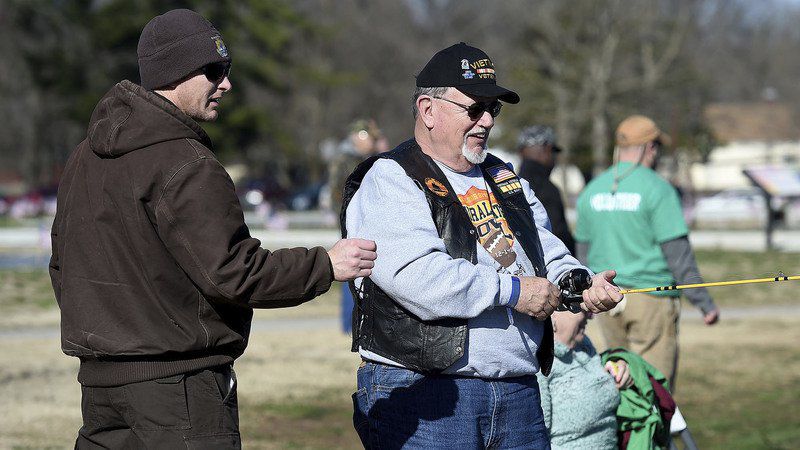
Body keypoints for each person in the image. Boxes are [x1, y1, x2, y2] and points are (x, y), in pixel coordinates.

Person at [48, 9, 376, 449]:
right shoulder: (186, 163)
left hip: (100, 390)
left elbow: (62, 268)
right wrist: (325, 264)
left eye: (228, 70)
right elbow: (235, 273)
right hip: (180, 390)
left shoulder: (84, 156)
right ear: (174, 73)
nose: (226, 84)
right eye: (213, 71)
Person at [342, 42, 623, 448]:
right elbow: (420, 278)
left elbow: (545, 252)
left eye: (494, 109)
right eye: (475, 108)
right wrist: (513, 292)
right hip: (428, 394)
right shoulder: (392, 178)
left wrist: (579, 283)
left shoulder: (504, 178)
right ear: (428, 110)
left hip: (518, 391)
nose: (487, 120)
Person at [575, 114, 720, 389]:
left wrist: (587, 296)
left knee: (620, 384)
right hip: (652, 299)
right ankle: (654, 434)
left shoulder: (592, 190)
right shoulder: (658, 189)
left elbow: (582, 251)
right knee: (654, 388)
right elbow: (679, 256)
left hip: (607, 300)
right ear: (649, 147)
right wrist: (704, 303)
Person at [537, 310, 633, 449]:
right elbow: (537, 437)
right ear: (552, 314)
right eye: (580, 308)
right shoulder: (539, 365)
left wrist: (620, 367)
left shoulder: (583, 344)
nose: (591, 315)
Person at [328, 119, 389, 333]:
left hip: (361, 223)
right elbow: (341, 193)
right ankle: (350, 325)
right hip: (353, 226)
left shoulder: (363, 158)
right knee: (353, 270)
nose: (374, 142)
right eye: (372, 138)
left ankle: (357, 324)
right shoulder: (347, 160)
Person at [517, 125, 576, 254]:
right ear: (547, 150)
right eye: (553, 152)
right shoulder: (548, 190)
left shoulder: (508, 184)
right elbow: (558, 236)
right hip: (550, 269)